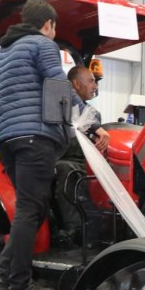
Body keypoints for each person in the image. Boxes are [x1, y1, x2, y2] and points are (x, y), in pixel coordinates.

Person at [0, 0, 68, 290]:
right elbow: (57, 87)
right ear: (48, 24)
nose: (54, 32)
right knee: (29, 210)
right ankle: (19, 285)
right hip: (35, 136)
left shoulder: (4, 51)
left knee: (29, 209)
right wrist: (87, 123)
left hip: (7, 137)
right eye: (54, 27)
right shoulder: (42, 44)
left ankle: (1, 280)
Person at [51, 65, 109, 244]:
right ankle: (74, 228)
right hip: (62, 160)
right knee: (67, 170)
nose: (95, 86)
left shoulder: (93, 115)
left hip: (86, 162)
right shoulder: (59, 109)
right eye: (91, 81)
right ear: (75, 84)